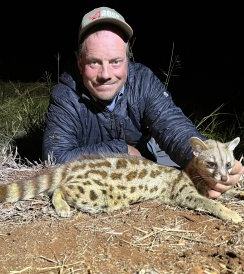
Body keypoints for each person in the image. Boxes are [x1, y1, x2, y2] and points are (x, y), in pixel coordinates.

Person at [42, 6, 244, 198]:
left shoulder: (143, 80)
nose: (105, 74)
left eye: (115, 62)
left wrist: (205, 159)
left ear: (127, 60)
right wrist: (121, 150)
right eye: (94, 62)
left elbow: (173, 125)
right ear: (79, 62)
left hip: (148, 154)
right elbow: (56, 158)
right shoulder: (65, 95)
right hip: (104, 169)